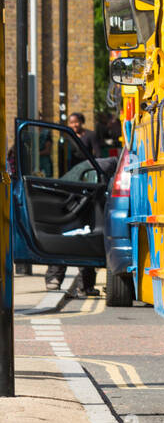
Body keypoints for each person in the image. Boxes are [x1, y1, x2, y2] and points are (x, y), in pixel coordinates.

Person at [45, 114, 103, 297]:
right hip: (68, 183)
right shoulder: (66, 137)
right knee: (77, 232)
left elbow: (97, 155)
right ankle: (65, 281)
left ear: (82, 122)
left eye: (76, 122)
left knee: (82, 232)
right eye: (71, 122)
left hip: (87, 183)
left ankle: (83, 284)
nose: (74, 125)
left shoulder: (90, 136)